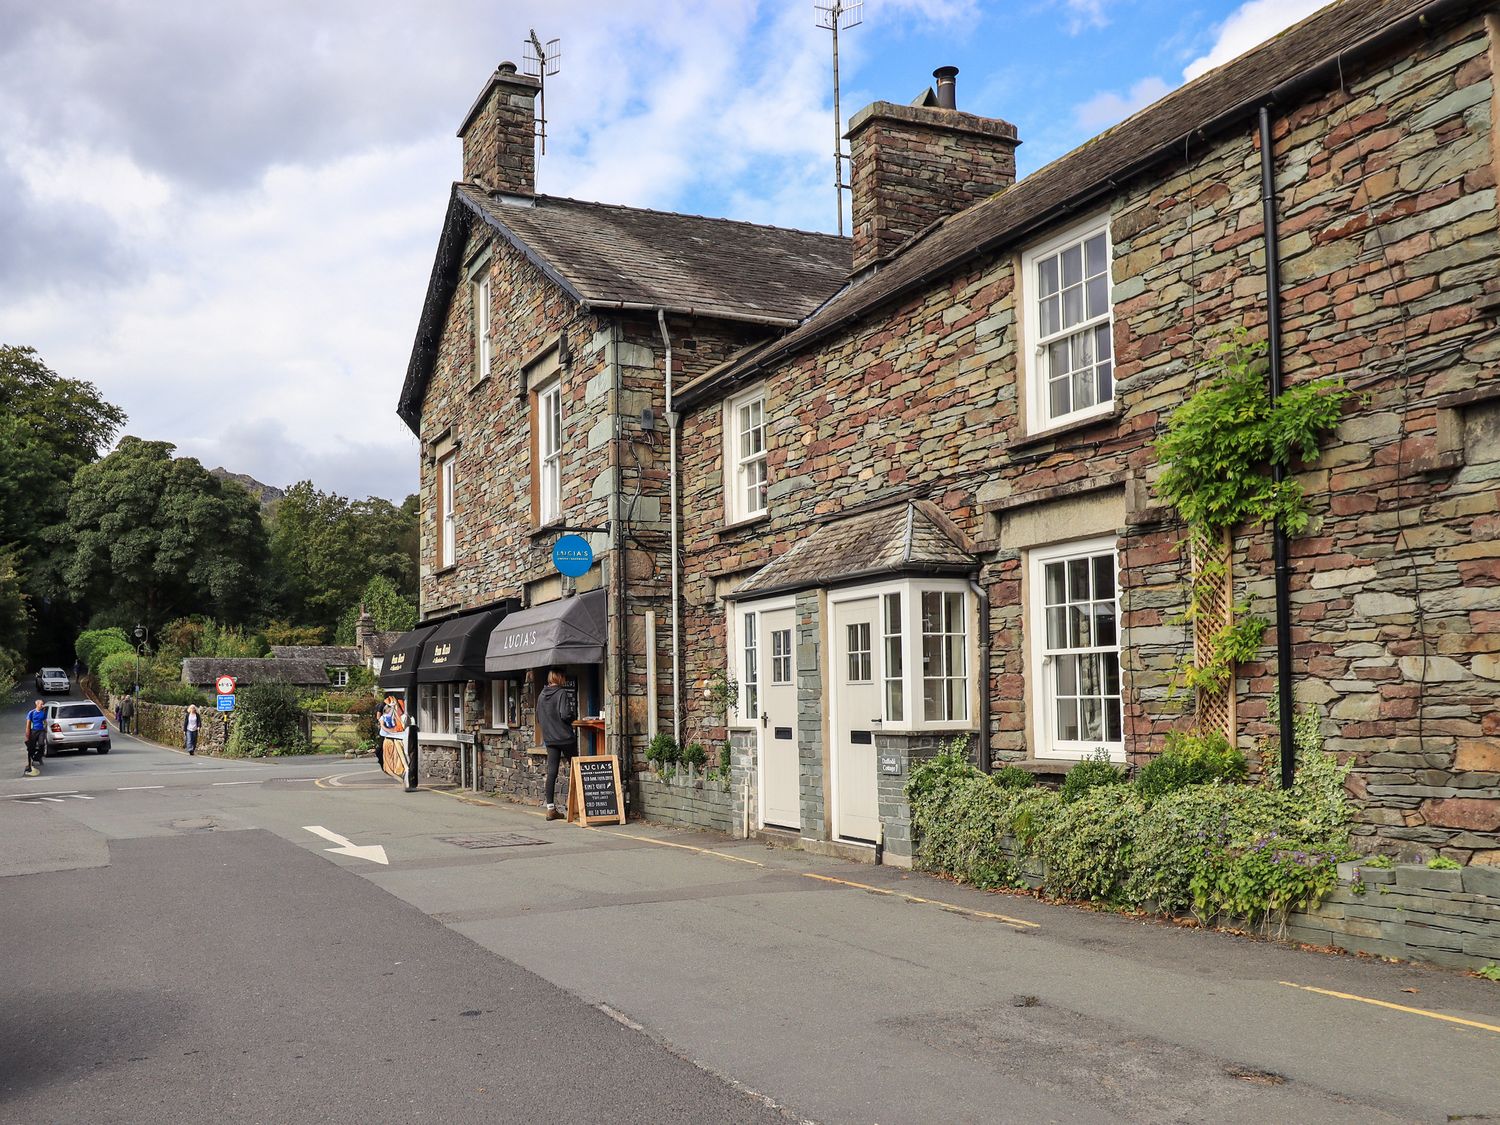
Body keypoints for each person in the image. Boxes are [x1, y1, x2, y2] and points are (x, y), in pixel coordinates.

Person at [535, 669, 577, 821]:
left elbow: (539, 717)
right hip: (565, 738)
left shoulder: (541, 695)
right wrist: (573, 716)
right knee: (576, 769)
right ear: (559, 677)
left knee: (552, 773)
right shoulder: (561, 693)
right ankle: (582, 805)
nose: (565, 679)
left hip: (550, 739)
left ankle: (551, 809)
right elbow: (565, 714)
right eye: (564, 676)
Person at [23, 699, 46, 777]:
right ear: (37, 704)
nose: (43, 706)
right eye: (41, 704)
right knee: (31, 748)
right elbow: (28, 724)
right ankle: (31, 761)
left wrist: (46, 728)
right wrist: (27, 735)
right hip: (34, 731)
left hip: (41, 731)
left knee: (41, 744)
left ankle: (39, 756)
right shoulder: (31, 713)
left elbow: (45, 721)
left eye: (43, 704)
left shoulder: (44, 713)